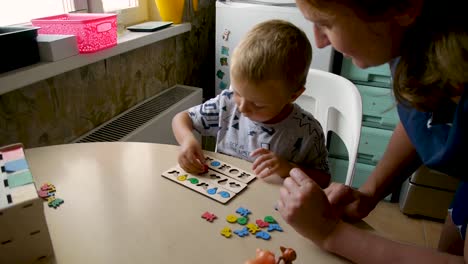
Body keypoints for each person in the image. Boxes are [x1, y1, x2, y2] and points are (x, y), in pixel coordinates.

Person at [276, 0, 468, 263]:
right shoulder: (409, 39)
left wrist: (330, 234)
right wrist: (369, 193)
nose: (319, 42)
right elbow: (421, 116)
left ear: (403, 7)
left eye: (325, 24)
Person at [172, 19, 330, 187]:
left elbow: (324, 179)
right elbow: (182, 118)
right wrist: (188, 140)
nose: (242, 108)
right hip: (225, 194)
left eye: (258, 104)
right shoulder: (227, 103)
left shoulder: (308, 131)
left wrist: (289, 168)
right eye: (238, 93)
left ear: (293, 95)